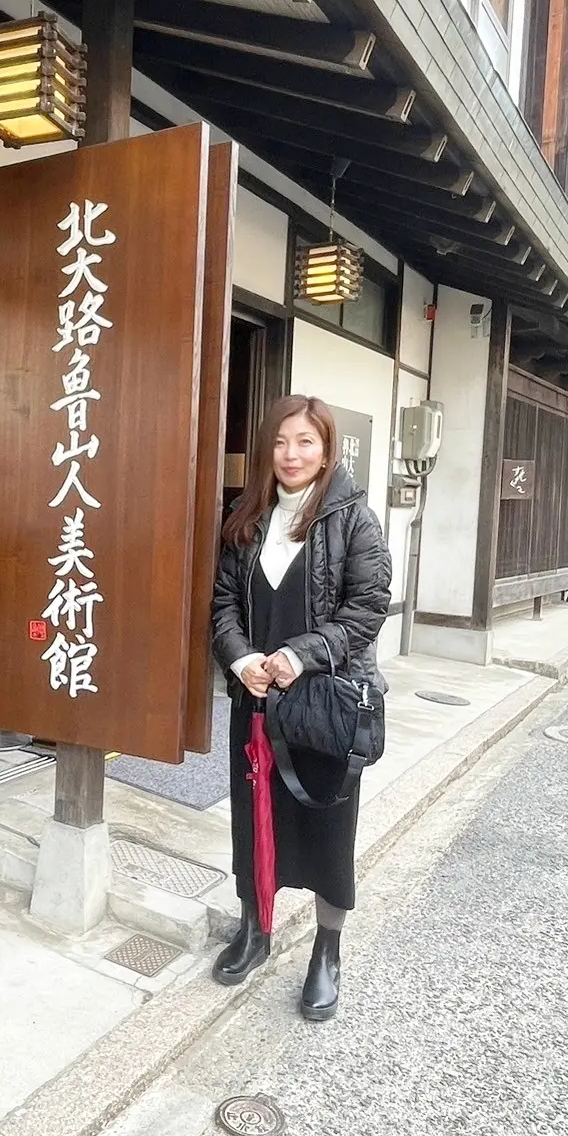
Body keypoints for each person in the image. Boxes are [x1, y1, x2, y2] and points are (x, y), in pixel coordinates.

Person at [211, 395, 391, 1020]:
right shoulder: (246, 514)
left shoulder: (354, 519)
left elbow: (367, 609)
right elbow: (223, 602)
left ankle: (327, 949)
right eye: (282, 441)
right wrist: (240, 660)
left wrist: (301, 655)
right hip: (257, 698)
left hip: (326, 701)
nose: (292, 454)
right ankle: (254, 927)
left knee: (327, 824)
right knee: (253, 815)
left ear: (326, 447)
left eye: (305, 442)